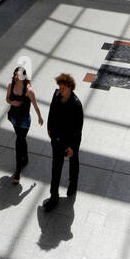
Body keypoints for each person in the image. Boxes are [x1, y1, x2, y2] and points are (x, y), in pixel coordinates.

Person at [44, 72, 83, 209]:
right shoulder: (56, 95)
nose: (61, 91)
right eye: (60, 88)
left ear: (70, 88)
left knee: (73, 162)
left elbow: (78, 129)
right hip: (57, 138)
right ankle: (54, 196)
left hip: (70, 140)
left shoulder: (76, 104)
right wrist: (49, 127)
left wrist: (72, 147)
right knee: (56, 167)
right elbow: (51, 111)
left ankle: (73, 184)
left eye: (63, 88)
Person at [6, 65, 43, 184]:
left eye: (19, 75)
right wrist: (13, 102)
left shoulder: (28, 90)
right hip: (14, 118)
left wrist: (39, 117)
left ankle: (17, 173)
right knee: (21, 139)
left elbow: (35, 105)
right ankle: (25, 157)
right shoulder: (11, 85)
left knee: (19, 141)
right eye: (15, 74)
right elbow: (7, 99)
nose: (16, 77)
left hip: (24, 120)